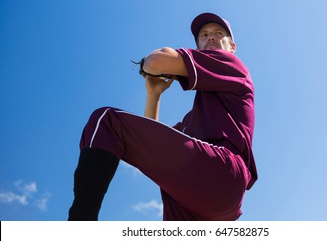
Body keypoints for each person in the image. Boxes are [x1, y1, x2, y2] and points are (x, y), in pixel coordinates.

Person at [68, 12, 257, 221]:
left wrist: (152, 63)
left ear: (232, 47)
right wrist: (154, 95)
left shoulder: (233, 66)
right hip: (207, 203)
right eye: (203, 35)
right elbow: (150, 149)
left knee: (107, 120)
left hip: (221, 172)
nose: (210, 37)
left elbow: (155, 62)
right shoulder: (192, 121)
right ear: (197, 48)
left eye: (218, 33)